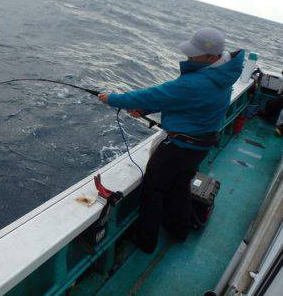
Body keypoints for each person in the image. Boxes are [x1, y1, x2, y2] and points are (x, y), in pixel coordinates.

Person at [98, 27, 245, 253]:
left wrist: (113, 99)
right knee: (179, 187)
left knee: (153, 189)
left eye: (194, 53)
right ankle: (179, 230)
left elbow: (155, 94)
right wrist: (145, 109)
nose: (189, 56)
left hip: (179, 148)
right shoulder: (223, 74)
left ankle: (146, 241)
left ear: (212, 57)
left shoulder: (198, 82)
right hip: (199, 147)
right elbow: (182, 101)